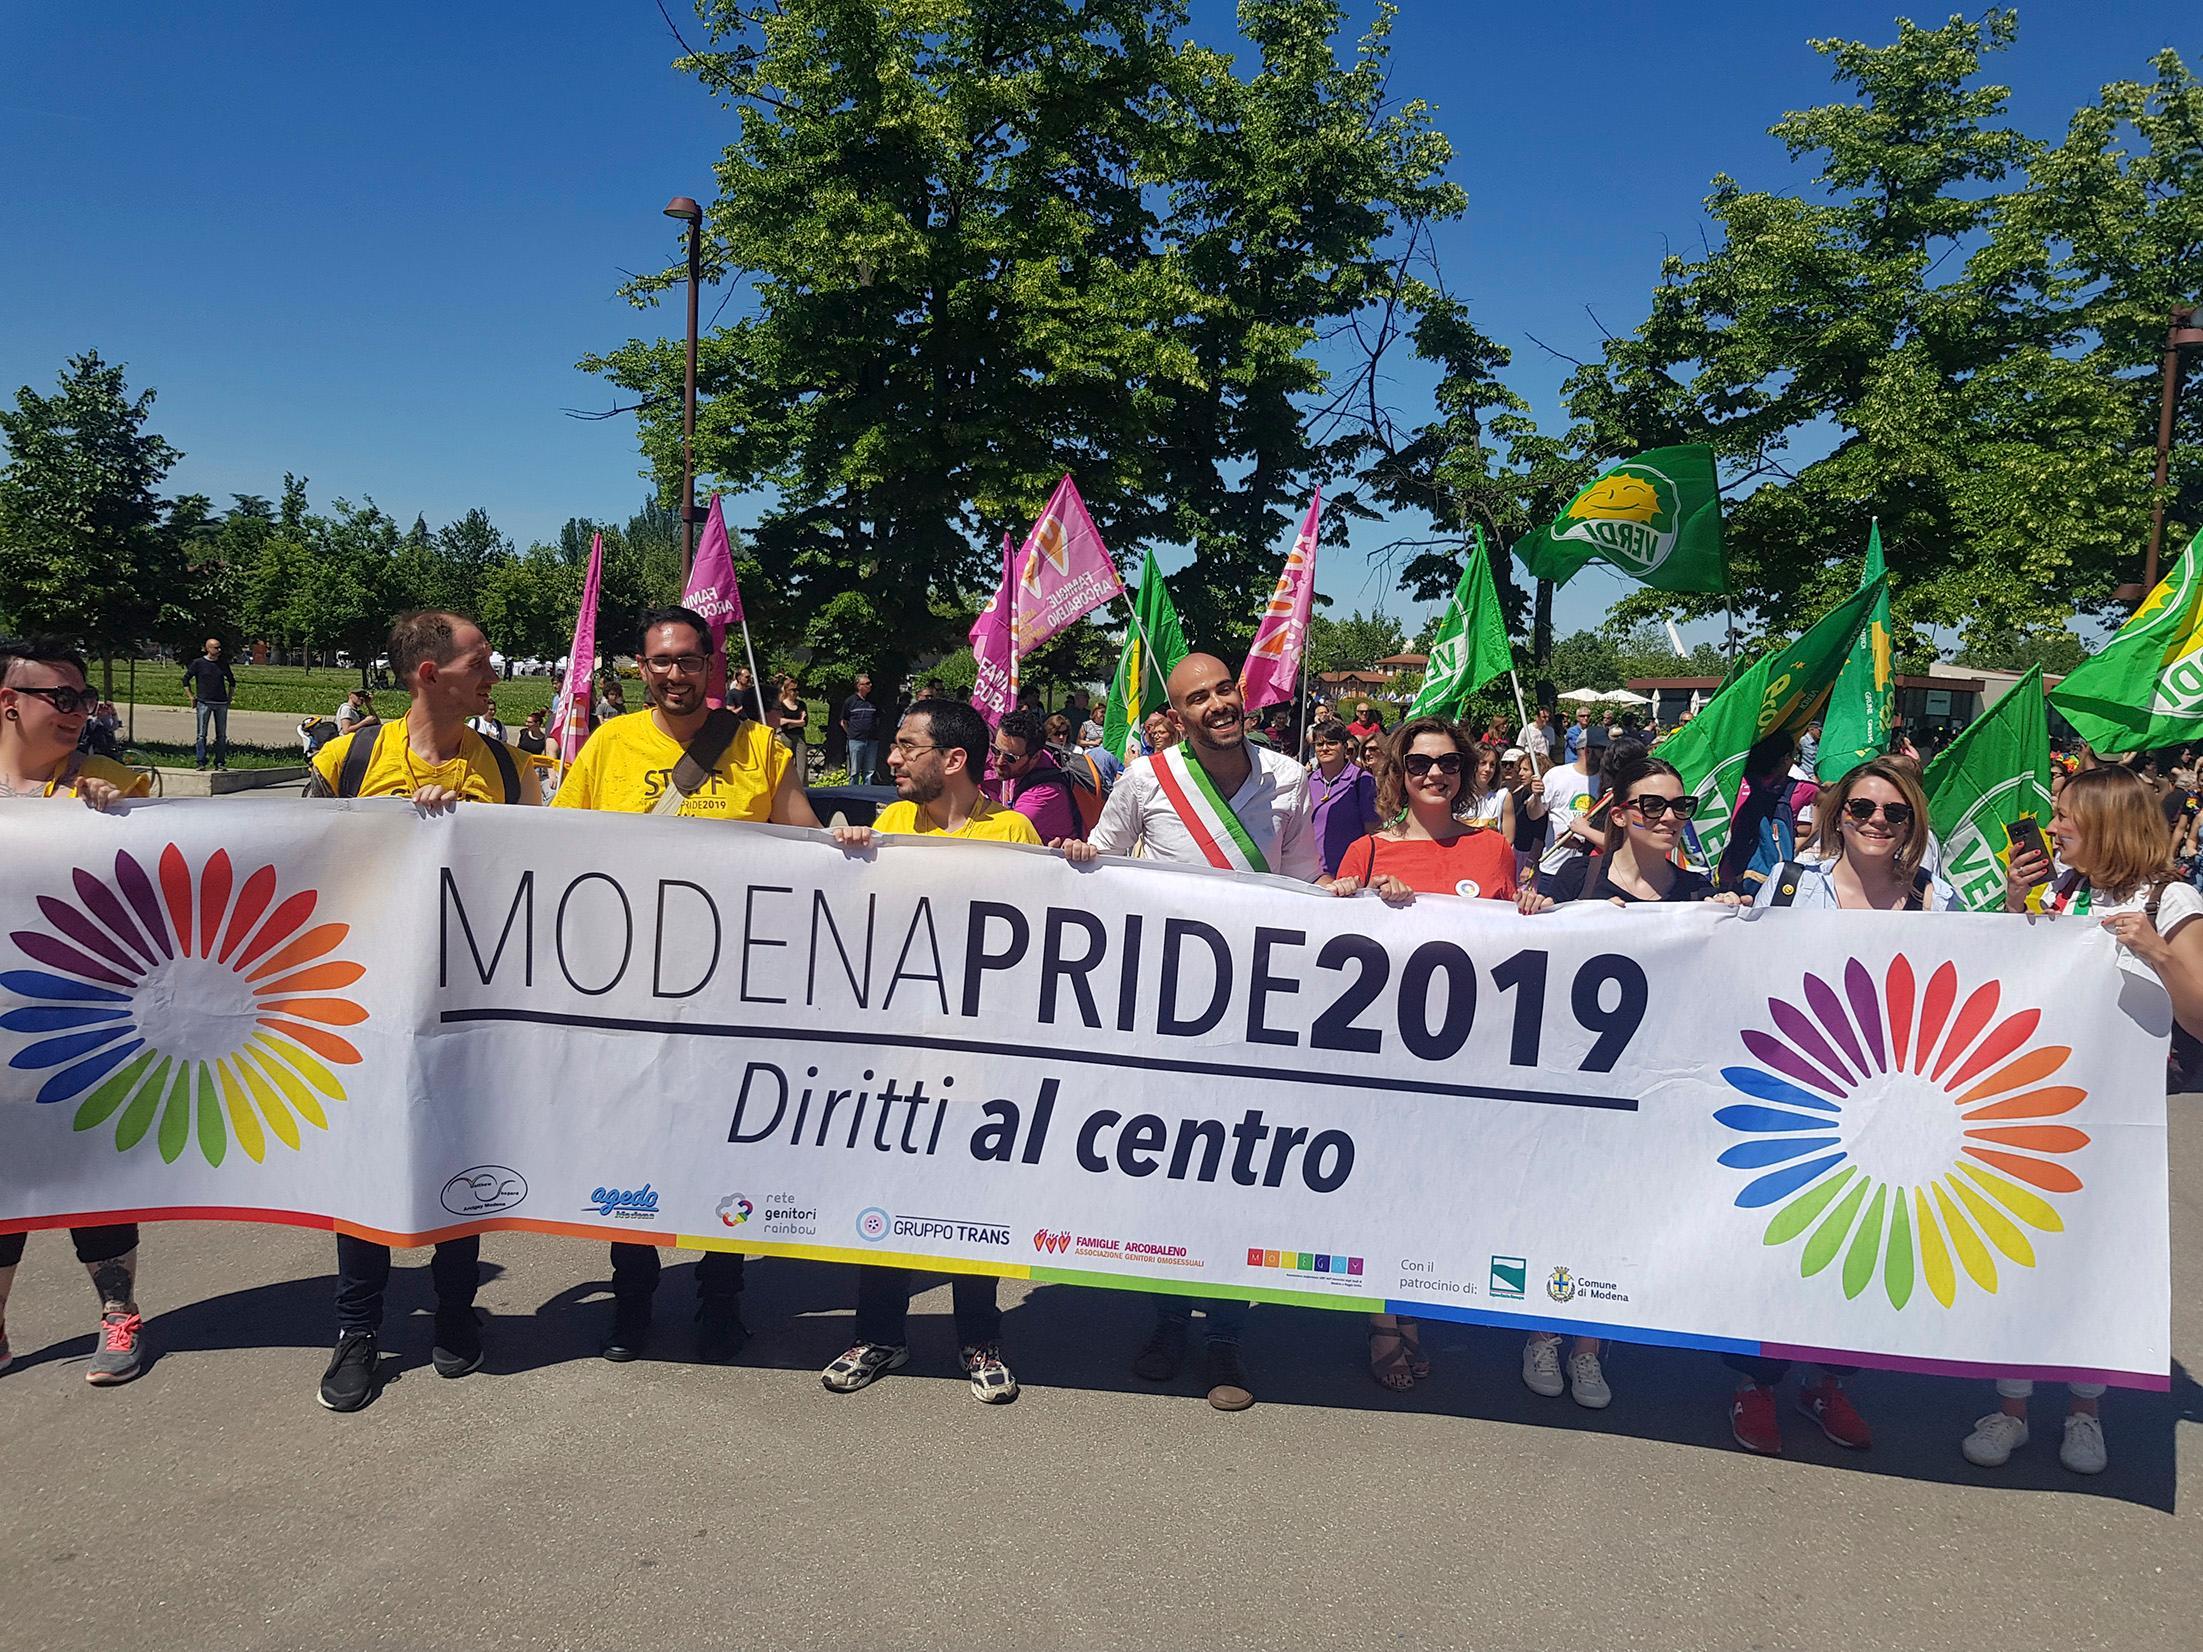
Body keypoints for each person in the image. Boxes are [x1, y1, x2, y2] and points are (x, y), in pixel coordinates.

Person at [554, 606, 822, 1362]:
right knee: (632, 1149)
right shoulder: (608, 745)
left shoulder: (760, 745)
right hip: (628, 987)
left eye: (688, 660)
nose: (675, 674)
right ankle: (632, 1301)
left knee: (722, 1147)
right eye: (660, 661)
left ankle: (720, 1300)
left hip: (731, 991)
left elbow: (804, 837)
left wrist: (854, 846)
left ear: (713, 664)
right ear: (640, 668)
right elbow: (553, 846)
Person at [1062, 654, 1318, 1412]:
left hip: (1256, 1011)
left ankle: (1226, 1335)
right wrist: (1075, 861)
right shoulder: (1146, 779)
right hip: (1168, 1009)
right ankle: (1169, 1320)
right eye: (1196, 698)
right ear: (1174, 715)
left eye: (1223, 691)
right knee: (1172, 1170)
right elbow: (1101, 864)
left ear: (1242, 696)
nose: (1216, 705)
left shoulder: (1288, 778)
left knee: (1241, 1172)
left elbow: (1303, 880)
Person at [303, 611, 538, 1412]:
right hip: (360, 1003)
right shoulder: (349, 756)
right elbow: (293, 863)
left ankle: (454, 1310)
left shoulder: (510, 770)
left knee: (456, 1157)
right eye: (480, 658)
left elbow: (538, 876)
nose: (494, 671)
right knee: (366, 1169)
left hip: (465, 1002)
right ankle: (358, 1331)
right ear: (427, 671)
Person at [1958, 767, 2203, 1476]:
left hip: (2117, 1116)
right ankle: (2009, 1409)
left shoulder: (2170, 897)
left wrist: (2155, 950)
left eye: (2064, 816)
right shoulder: (2059, 889)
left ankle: (2083, 1413)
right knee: (2022, 1246)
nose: (2052, 827)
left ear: (2105, 823)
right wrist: (2015, 903)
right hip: (2036, 1105)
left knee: (2093, 1256)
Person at [1726, 757, 1960, 1455]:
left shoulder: (1936, 899)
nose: (1876, 823)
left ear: (1914, 823)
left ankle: (1829, 1378)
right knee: (1780, 1238)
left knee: (1864, 1239)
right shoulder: (1793, 883)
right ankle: (1754, 1383)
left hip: (1893, 1097)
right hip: (1798, 1090)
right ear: (1837, 815)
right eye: (1861, 809)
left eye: (1894, 812)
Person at [817, 698, 1035, 1402]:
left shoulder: (1014, 831)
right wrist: (843, 859)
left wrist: (1079, 864)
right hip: (896, 1053)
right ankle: (878, 1334)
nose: (891, 757)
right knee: (884, 1196)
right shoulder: (888, 825)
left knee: (971, 1198)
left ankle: (978, 1338)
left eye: (907, 746)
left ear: (953, 759)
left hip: (979, 1057)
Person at [1324, 717, 1525, 1397]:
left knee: (1435, 1188)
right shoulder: (1366, 851)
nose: (1432, 774)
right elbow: (1332, 944)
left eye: (1445, 762)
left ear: (1464, 770)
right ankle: (1385, 1320)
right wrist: (1352, 903)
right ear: (1396, 774)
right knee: (1381, 1186)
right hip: (1382, 1054)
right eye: (1417, 764)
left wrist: (1537, 911)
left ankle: (1412, 1303)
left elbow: (1512, 947)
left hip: (1464, 1054)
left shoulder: (1494, 848)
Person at [0, 635, 154, 1386]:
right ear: (9, 702)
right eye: (60, 698)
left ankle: (119, 1315)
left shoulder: (102, 781)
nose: (76, 712)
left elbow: (178, 846)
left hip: (80, 1027)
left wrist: (123, 810)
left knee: (90, 1178)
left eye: (83, 699)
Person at [1719, 734, 1801, 897]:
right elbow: (1827, 801)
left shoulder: (1735, 782)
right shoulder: (1798, 789)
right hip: (1769, 879)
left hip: (1732, 873)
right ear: (1786, 759)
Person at [986, 707, 1083, 843]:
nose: (998, 762)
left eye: (1010, 757)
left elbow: (1001, 834)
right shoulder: (1030, 762)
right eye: (995, 750)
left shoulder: (1042, 796)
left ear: (1035, 757)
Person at [1307, 719, 1380, 878]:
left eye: (1332, 743)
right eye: (1319, 744)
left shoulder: (1362, 781)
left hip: (1349, 875)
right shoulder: (1308, 780)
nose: (1325, 748)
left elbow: (1373, 831)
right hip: (1313, 875)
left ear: (1345, 747)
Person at [1537, 723, 1605, 889]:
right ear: (1587, 751)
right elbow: (1536, 815)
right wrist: (1535, 796)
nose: (1607, 754)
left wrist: (1582, 841)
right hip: (1554, 869)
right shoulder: (1557, 775)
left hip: (1590, 871)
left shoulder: (1607, 781)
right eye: (1603, 749)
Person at [182, 636, 236, 770]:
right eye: (215, 647)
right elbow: (185, 680)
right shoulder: (198, 663)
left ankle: (220, 762)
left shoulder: (222, 664)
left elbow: (232, 681)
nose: (219, 650)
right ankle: (201, 761)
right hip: (204, 702)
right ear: (208, 648)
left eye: (219, 647)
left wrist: (229, 698)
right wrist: (191, 697)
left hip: (221, 703)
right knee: (201, 734)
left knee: (221, 735)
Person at [1504, 747, 1547, 881]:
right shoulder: (1521, 793)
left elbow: (1539, 834)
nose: (1521, 773)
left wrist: (1529, 864)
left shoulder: (1540, 799)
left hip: (1529, 857)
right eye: (1520, 769)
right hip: (1517, 852)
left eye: (1526, 770)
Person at [1457, 744, 1515, 838]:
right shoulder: (1456, 795)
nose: (1488, 769)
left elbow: (1508, 839)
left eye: (1492, 765)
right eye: (1483, 763)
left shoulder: (1502, 797)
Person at [836, 672, 884, 782]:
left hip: (872, 740)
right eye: (867, 683)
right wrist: (850, 734)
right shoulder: (850, 701)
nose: (870, 685)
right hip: (856, 740)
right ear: (859, 686)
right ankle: (853, 793)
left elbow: (877, 719)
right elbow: (843, 721)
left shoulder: (873, 701)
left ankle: (867, 794)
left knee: (869, 771)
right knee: (854, 771)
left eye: (870, 683)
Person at [772, 674, 808, 755]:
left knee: (801, 764)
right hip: (785, 736)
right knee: (787, 761)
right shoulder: (780, 705)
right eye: (793, 690)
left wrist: (788, 722)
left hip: (799, 736)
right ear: (786, 690)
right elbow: (780, 722)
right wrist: (798, 722)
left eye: (797, 689)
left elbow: (804, 723)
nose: (796, 692)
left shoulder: (802, 705)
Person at [1517, 705, 1554, 772]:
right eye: (1544, 717)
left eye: (1548, 717)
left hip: (1544, 762)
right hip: (1529, 762)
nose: (1547, 719)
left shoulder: (1550, 730)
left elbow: (1551, 747)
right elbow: (1520, 746)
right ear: (1536, 717)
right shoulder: (1527, 729)